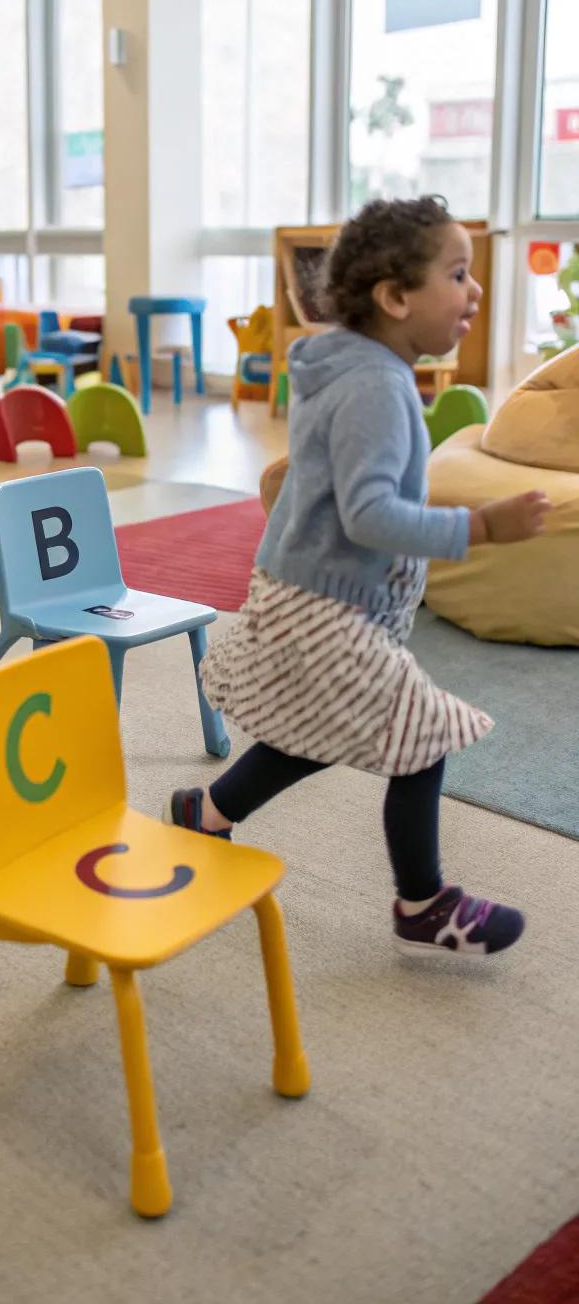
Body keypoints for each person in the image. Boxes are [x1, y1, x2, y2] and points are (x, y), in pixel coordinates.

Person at [165, 196, 550, 958]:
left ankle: (206, 811)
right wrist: (478, 527)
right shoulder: (376, 384)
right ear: (397, 297)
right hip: (323, 605)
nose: (475, 291)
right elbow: (369, 514)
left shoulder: (355, 365)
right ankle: (424, 901)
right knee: (421, 735)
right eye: (458, 273)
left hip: (316, 594)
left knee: (317, 726)